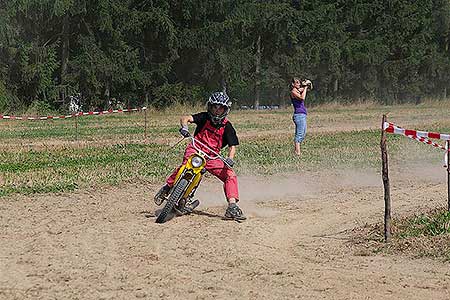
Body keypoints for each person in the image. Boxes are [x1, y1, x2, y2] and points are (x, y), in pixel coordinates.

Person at [154, 91, 245, 220]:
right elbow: (186, 118)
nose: (217, 111)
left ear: (225, 109)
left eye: (221, 108)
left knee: (230, 174)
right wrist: (184, 127)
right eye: (214, 107)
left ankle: (232, 206)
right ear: (210, 106)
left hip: (212, 156)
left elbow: (233, 146)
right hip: (195, 148)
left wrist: (230, 159)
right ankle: (167, 187)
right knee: (185, 166)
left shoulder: (227, 126)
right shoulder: (204, 117)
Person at [290, 77, 311, 156]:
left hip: (302, 115)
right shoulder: (293, 92)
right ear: (293, 84)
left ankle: (296, 151)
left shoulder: (298, 90)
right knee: (299, 135)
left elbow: (308, 89)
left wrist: (307, 85)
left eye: (299, 82)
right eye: (297, 83)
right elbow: (302, 97)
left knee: (303, 134)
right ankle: (297, 153)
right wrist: (305, 87)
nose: (299, 84)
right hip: (298, 115)